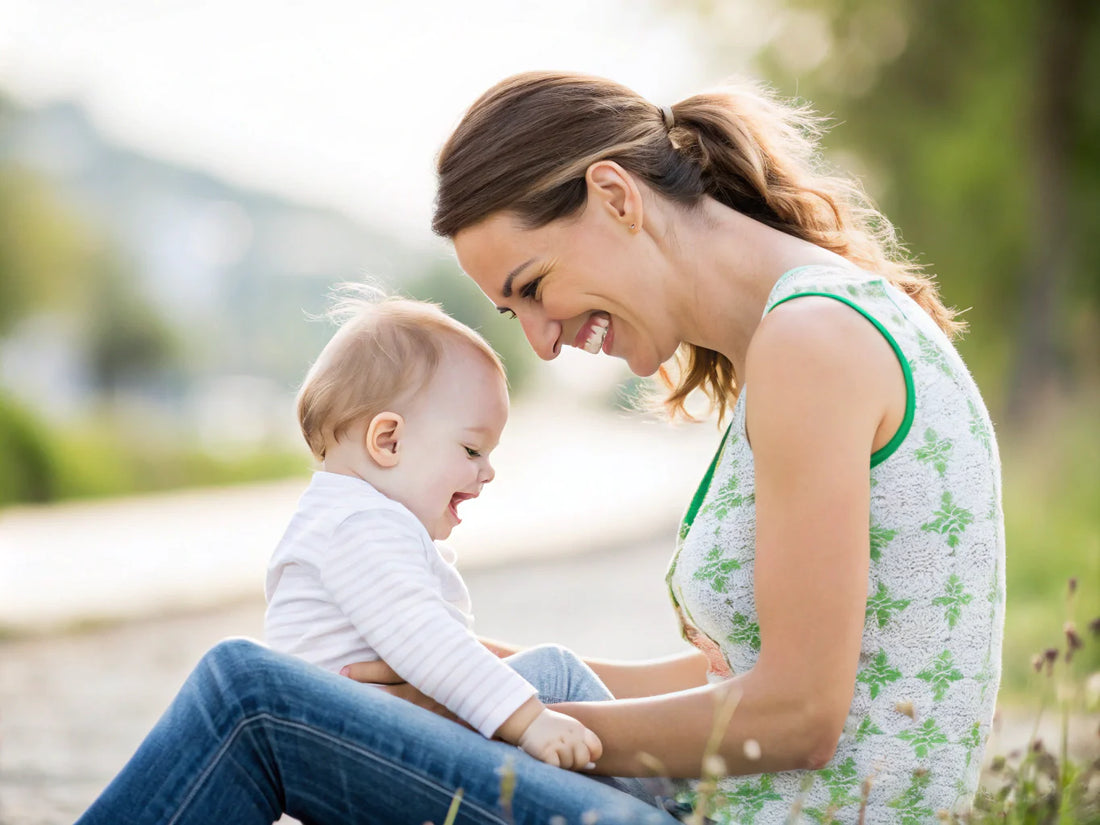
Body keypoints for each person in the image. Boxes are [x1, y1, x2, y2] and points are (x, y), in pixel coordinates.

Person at [76, 70, 1004, 825]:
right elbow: (749, 668)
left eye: (532, 286)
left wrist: (517, 723)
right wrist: (467, 673)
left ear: (614, 196)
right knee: (522, 666)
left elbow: (799, 716)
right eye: (512, 312)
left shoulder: (810, 344)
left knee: (252, 697)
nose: (545, 341)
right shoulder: (810, 328)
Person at [263, 295, 601, 769]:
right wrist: (529, 722)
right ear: (389, 440)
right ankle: (674, 803)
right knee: (555, 671)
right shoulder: (360, 525)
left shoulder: (341, 518)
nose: (488, 472)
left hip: (360, 746)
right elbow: (426, 638)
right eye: (471, 450)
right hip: (367, 755)